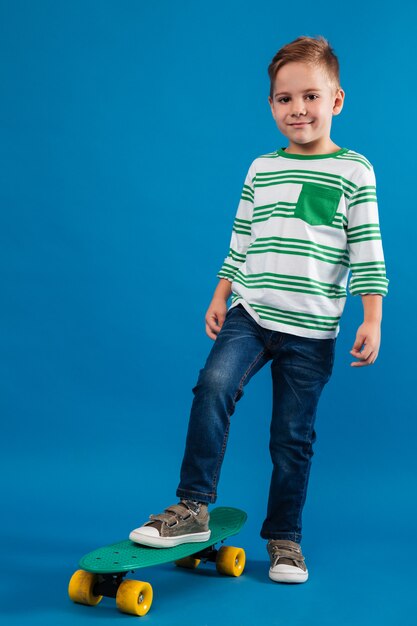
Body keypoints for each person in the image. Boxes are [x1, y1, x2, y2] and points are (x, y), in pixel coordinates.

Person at [129, 35, 389, 583]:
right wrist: (222, 293)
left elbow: (367, 248)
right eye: (284, 99)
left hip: (312, 330)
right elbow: (241, 238)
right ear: (271, 105)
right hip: (251, 313)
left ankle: (285, 539)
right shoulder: (261, 169)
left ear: (336, 100)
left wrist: (372, 317)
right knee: (213, 387)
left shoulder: (355, 172)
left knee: (291, 438)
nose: (298, 109)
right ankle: (192, 507)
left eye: (311, 97)